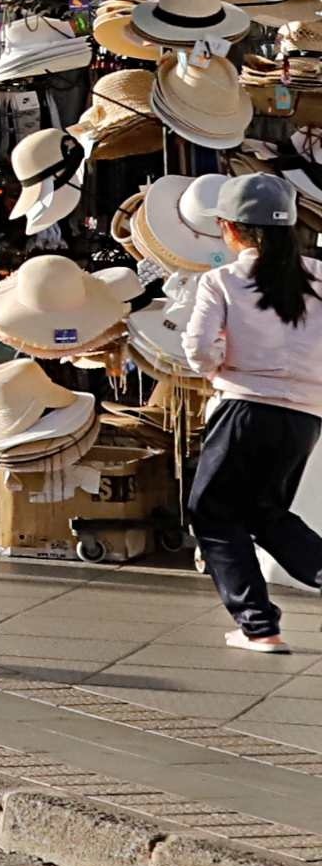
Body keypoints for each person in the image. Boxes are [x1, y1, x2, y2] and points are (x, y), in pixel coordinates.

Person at [181, 170, 322, 654]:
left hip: (244, 407)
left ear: (228, 227)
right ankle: (261, 626)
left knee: (212, 513)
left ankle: (259, 626)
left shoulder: (222, 280)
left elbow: (200, 351)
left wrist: (218, 366)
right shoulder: (318, 277)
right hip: (305, 417)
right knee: (266, 512)